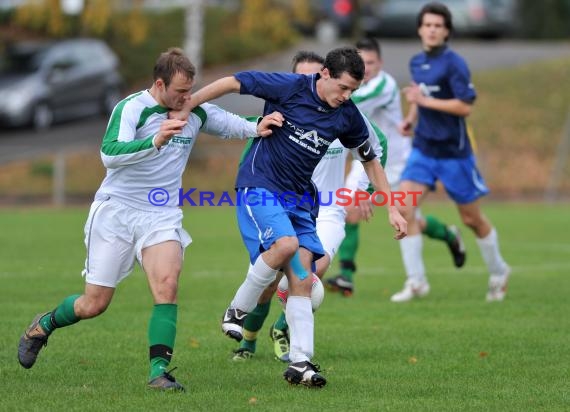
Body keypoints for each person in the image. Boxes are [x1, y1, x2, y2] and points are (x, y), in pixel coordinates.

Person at [16, 47, 281, 392]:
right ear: (160, 83)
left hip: (162, 214)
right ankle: (44, 325)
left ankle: (159, 371)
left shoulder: (192, 109)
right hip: (116, 211)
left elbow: (229, 123)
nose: (188, 98)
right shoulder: (131, 108)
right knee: (93, 303)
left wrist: (257, 126)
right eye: (181, 91)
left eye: (191, 91)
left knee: (167, 284)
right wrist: (155, 141)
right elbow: (109, 154)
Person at [183, 47, 407, 387]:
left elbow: (371, 159)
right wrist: (189, 103)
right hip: (261, 185)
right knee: (285, 245)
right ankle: (237, 310)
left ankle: (301, 362)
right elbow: (232, 82)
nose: (347, 96)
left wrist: (391, 205)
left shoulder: (347, 114)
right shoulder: (289, 87)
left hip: (300, 200)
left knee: (303, 279)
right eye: (343, 87)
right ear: (326, 75)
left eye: (353, 91)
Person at [231, 51, 388, 363]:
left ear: (325, 74)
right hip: (281, 199)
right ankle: (248, 340)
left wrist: (361, 190)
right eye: (302, 75)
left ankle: (283, 330)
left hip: (327, 207)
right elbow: (253, 154)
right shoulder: (286, 101)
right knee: (271, 279)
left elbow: (376, 147)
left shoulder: (343, 108)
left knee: (312, 272)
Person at [326, 37, 466, 299]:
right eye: (361, 63)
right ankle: (346, 275)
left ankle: (448, 234)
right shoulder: (353, 86)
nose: (365, 69)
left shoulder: (383, 85)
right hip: (367, 158)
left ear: (380, 63)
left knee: (408, 216)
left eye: (370, 63)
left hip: (397, 161)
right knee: (349, 210)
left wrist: (328, 91)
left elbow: (346, 103)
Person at [395, 2, 510, 302]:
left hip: (454, 154)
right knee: (404, 208)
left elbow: (465, 106)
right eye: (428, 25)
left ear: (446, 31)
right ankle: (416, 281)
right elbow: (419, 99)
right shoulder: (416, 62)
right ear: (420, 29)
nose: (432, 30)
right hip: (422, 149)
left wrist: (425, 101)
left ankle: (499, 271)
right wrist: (410, 119)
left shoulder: (454, 63)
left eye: (438, 25)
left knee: (471, 219)